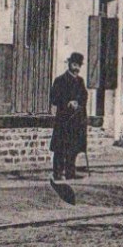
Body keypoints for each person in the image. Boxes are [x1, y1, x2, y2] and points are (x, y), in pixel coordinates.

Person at [49, 52, 88, 180]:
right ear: (70, 64)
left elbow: (84, 97)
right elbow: (54, 98)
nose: (77, 68)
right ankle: (57, 172)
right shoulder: (60, 80)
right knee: (60, 147)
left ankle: (70, 172)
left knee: (74, 147)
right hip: (64, 120)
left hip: (76, 120)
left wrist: (79, 104)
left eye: (79, 66)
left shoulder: (80, 81)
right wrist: (67, 103)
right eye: (74, 65)